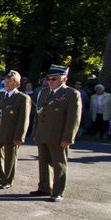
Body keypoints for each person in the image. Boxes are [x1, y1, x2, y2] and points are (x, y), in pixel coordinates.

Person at [30, 65, 81, 202]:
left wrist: (68, 138)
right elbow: (38, 114)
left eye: (54, 79)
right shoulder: (44, 92)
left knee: (58, 164)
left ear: (64, 79)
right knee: (43, 162)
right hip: (42, 133)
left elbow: (73, 119)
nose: (50, 81)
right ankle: (44, 187)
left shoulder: (71, 94)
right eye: (49, 79)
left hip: (58, 136)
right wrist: (35, 132)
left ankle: (57, 191)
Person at [0, 70, 30, 189]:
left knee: (10, 158)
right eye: (6, 80)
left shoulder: (22, 98)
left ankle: (7, 180)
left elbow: (23, 119)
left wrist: (19, 136)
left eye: (10, 81)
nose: (7, 83)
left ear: (17, 83)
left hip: (11, 132)